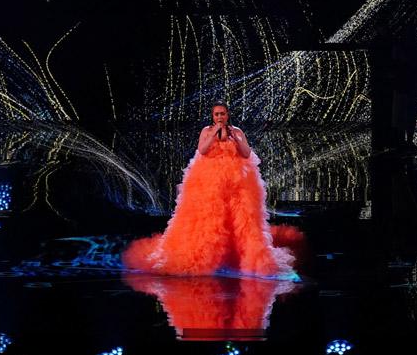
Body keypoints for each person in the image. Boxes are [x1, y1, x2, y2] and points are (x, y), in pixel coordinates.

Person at [122, 102, 304, 279]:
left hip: (236, 182)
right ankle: (205, 259)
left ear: (227, 115)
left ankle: (241, 259)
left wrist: (236, 137)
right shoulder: (206, 131)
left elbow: (246, 153)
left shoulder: (237, 131)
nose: (219, 117)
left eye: (222, 114)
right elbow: (202, 149)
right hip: (210, 182)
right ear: (212, 116)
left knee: (240, 220)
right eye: (216, 114)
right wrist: (213, 133)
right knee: (210, 220)